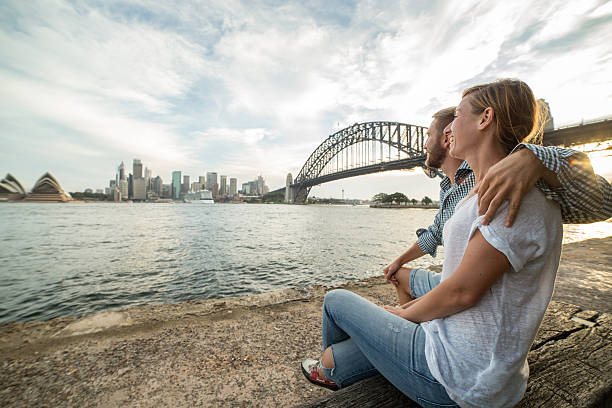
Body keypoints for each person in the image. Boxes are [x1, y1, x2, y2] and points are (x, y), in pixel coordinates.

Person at [300, 79, 606, 407]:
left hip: (457, 378)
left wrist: (401, 316)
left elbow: (461, 292)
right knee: (345, 353)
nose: (449, 130)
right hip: (470, 359)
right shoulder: (490, 189)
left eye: (457, 116)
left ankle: (334, 376)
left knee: (335, 300)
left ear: (485, 118)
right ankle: (337, 367)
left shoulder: (507, 196)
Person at [384, 104, 612, 305]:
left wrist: (535, 157)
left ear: (447, 138)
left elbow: (605, 202)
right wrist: (398, 261)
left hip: (474, 296)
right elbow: (435, 233)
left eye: (427, 135)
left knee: (350, 306)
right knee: (400, 276)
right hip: (451, 285)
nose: (423, 145)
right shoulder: (448, 187)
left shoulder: (499, 178)